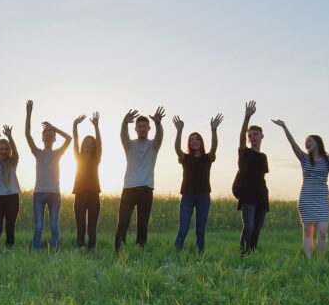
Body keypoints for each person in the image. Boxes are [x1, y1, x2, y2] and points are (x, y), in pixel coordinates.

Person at [273, 119, 329, 258]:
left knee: (323, 231)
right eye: (306, 142)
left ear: (318, 142)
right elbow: (293, 143)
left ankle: (320, 260)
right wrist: (284, 127)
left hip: (322, 199)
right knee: (307, 231)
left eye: (310, 140)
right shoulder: (304, 159)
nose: (307, 143)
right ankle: (309, 259)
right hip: (306, 199)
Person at [115, 106, 165, 251]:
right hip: (129, 189)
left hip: (146, 189)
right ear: (135, 129)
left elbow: (160, 136)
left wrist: (158, 123)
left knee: (142, 225)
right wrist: (125, 122)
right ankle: (119, 251)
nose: (142, 129)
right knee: (123, 223)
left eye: (145, 126)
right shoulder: (129, 145)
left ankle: (140, 251)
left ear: (149, 128)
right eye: (139, 126)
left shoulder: (153, 146)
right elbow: (122, 135)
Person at [25, 100, 73, 250]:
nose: (49, 137)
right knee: (38, 227)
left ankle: (54, 250)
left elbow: (69, 139)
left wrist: (54, 128)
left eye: (51, 135)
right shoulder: (37, 152)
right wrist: (29, 114)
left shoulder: (58, 153)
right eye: (46, 135)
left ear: (54, 139)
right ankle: (36, 251)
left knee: (53, 226)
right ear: (42, 138)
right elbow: (27, 134)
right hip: (39, 193)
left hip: (54, 194)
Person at [172, 113, 223, 253]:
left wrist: (214, 130)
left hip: (203, 196)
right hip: (187, 196)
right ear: (189, 143)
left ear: (201, 142)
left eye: (197, 139)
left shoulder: (208, 158)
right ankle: (177, 253)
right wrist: (179, 130)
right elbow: (177, 148)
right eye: (192, 140)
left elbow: (214, 147)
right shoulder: (185, 158)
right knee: (183, 228)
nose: (194, 142)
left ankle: (199, 254)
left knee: (200, 229)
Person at [233, 101, 269, 255]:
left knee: (257, 229)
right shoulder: (244, 153)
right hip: (247, 197)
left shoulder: (263, 156)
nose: (253, 137)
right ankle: (243, 254)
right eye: (250, 135)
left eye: (255, 134)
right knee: (248, 227)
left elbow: (261, 178)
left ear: (262, 136)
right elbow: (241, 139)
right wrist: (246, 117)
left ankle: (252, 254)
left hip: (261, 196)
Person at [71, 112, 102, 250]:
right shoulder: (78, 157)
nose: (88, 145)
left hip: (94, 195)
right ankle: (80, 248)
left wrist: (96, 126)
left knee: (92, 227)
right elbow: (75, 141)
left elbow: (99, 143)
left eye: (91, 143)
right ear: (83, 145)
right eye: (86, 143)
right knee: (81, 226)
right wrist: (75, 126)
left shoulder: (96, 158)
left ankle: (92, 248)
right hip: (80, 195)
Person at [0, 125, 20, 250]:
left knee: (10, 227)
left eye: (6, 149)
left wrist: (10, 137)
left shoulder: (13, 162)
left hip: (12, 197)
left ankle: (9, 250)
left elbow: (15, 152)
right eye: (1, 149)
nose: (3, 151)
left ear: (9, 150)